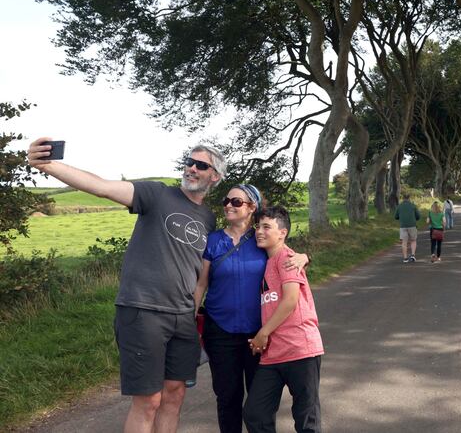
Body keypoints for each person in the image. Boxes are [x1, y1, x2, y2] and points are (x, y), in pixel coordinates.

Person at [27, 137, 224, 433]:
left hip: (182, 318)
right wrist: (48, 165)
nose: (191, 168)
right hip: (143, 311)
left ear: (215, 176)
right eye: (189, 161)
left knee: (175, 395)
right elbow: (102, 187)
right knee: (148, 401)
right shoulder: (156, 194)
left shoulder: (208, 218)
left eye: (201, 165)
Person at [194, 184, 310, 433]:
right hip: (220, 331)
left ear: (252, 207)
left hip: (257, 334)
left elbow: (284, 255)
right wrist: (188, 318)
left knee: (260, 404)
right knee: (227, 399)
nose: (228, 205)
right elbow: (202, 283)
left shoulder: (259, 239)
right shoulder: (213, 240)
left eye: (236, 202)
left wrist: (305, 257)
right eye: (227, 200)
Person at [243, 206, 324, 433]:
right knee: (255, 413)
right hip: (274, 355)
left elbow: (290, 300)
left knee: (306, 418)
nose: (259, 231)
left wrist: (263, 333)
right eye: (257, 226)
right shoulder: (267, 261)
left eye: (267, 227)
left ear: (283, 232)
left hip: (300, 349)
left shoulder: (287, 258)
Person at [394, 193, 420, 263]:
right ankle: (413, 255)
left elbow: (396, 217)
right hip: (412, 225)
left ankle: (405, 258)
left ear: (403, 198)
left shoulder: (399, 206)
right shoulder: (413, 206)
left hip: (403, 226)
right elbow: (418, 216)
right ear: (409, 198)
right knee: (413, 240)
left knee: (404, 242)